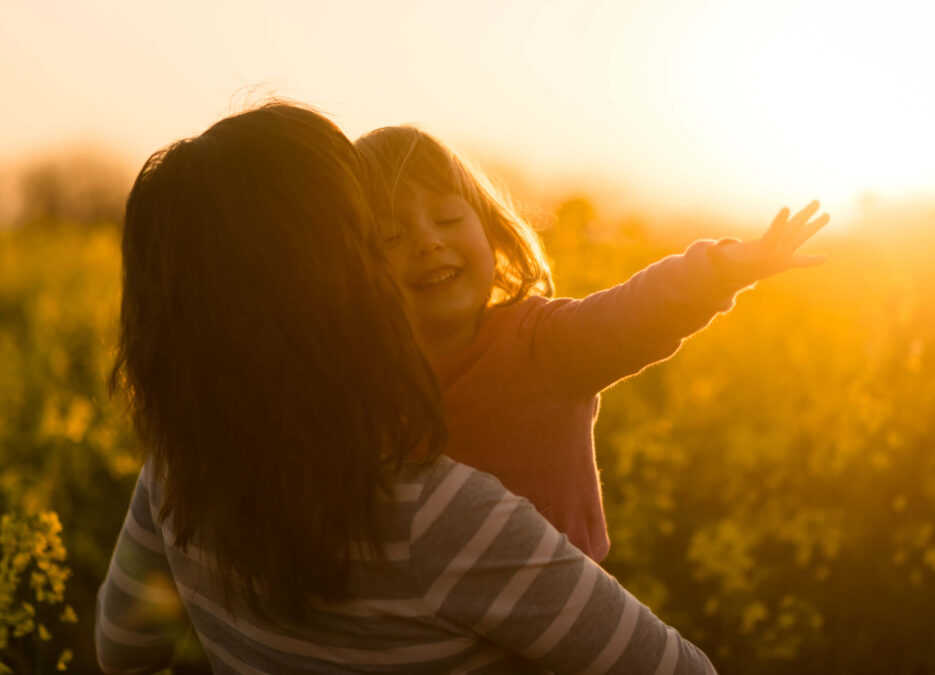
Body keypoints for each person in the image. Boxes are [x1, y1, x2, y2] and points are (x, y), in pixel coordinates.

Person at [96, 102, 717, 673]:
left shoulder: (178, 472)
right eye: (376, 239)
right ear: (335, 286)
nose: (420, 246)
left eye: (447, 217)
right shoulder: (445, 522)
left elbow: (121, 650)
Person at [354, 126, 829, 561]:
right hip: (436, 623)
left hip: (560, 618)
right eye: (392, 234)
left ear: (493, 234)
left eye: (448, 219)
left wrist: (722, 269)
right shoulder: (362, 379)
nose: (427, 242)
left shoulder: (541, 343)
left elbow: (632, 312)